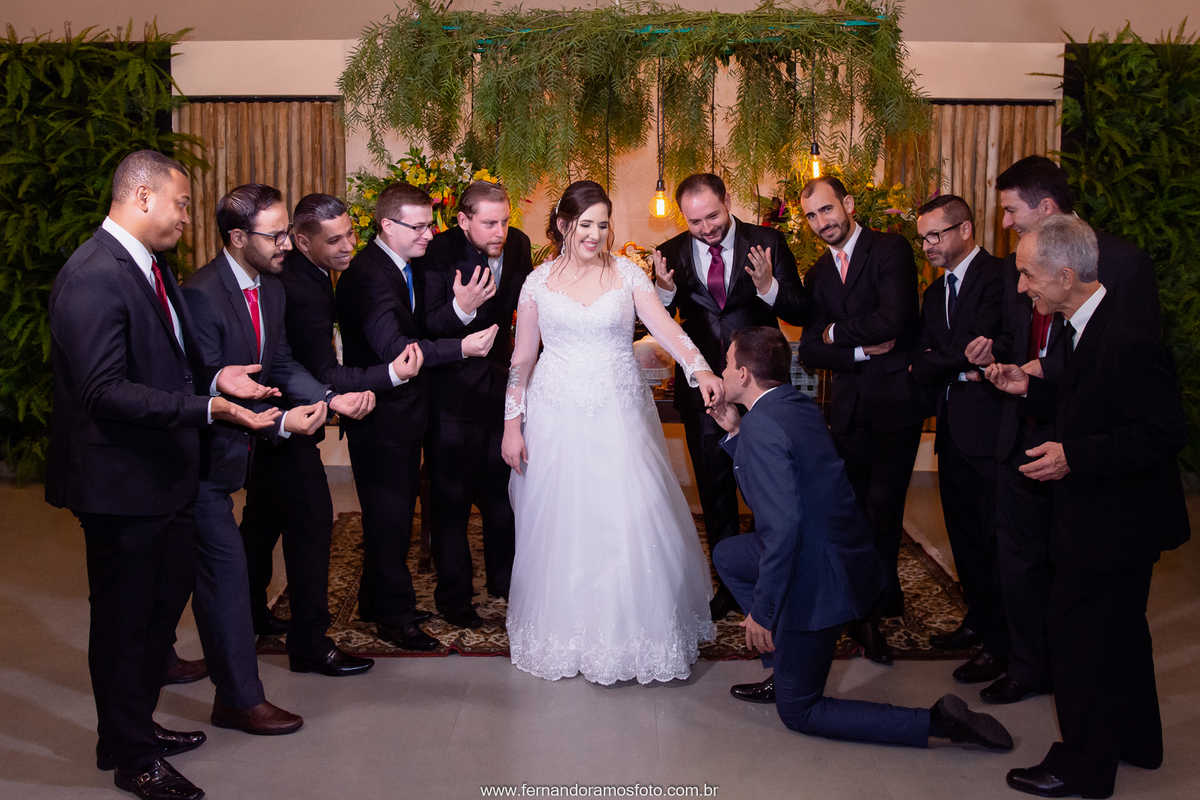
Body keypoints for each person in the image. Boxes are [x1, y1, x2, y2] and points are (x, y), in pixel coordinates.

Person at [46, 150, 281, 800]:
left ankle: (129, 731)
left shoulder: (151, 268)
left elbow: (164, 367)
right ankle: (132, 758)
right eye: (180, 202)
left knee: (154, 620)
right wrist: (208, 406)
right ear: (142, 197)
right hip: (121, 484)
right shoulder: (95, 275)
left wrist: (213, 378)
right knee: (125, 623)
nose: (186, 215)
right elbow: (104, 391)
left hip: (165, 475)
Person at [708, 327, 1013, 752]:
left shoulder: (764, 427)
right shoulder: (796, 405)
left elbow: (784, 528)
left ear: (742, 375)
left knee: (801, 712)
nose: (721, 372)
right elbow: (789, 479)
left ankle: (938, 723)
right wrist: (737, 433)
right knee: (729, 554)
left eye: (725, 364)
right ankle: (788, 662)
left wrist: (763, 610)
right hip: (846, 558)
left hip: (820, 579)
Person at [982, 215, 1188, 799]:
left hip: (1114, 523)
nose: (1021, 287)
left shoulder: (1126, 337)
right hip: (1108, 516)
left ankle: (1082, 768)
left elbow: (1162, 433)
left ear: (1065, 275)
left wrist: (1076, 456)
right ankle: (1137, 743)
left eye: (1027, 275)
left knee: (1078, 640)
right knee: (1121, 635)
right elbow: (1097, 403)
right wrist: (1033, 388)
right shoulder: (1087, 326)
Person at [502, 180, 721, 684]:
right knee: (562, 521)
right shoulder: (537, 283)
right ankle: (566, 632)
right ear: (563, 225)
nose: (596, 234)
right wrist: (512, 425)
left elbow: (665, 326)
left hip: (619, 410)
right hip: (555, 413)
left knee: (629, 514)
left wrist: (700, 368)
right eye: (586, 224)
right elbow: (521, 359)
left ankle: (634, 634)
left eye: (603, 224)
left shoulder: (627, 274)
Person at [965, 155, 1163, 705]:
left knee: (1093, 602)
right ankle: (1031, 666)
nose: (1003, 226)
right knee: (1023, 562)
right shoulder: (1027, 266)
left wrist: (1054, 397)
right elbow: (1020, 335)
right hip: (1030, 429)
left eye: (1010, 211)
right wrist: (1013, 371)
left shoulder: (1124, 272)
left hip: (1097, 463)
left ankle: (1085, 716)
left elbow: (1131, 380)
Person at [181, 184, 376, 734]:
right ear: (238, 238)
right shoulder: (200, 293)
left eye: (287, 231)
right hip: (210, 454)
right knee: (196, 572)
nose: (287, 243)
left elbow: (280, 361)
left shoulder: (270, 286)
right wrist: (285, 421)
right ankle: (199, 676)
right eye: (274, 235)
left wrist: (325, 398)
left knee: (237, 551)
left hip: (261, 434)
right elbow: (202, 384)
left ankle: (236, 676)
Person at [239, 193, 421, 675]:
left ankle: (250, 613)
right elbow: (314, 365)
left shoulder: (311, 275)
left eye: (351, 234)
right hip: (282, 418)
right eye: (334, 239)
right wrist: (379, 380)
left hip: (281, 407)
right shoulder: (300, 286)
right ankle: (309, 643)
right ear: (302, 240)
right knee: (311, 524)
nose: (348, 247)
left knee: (261, 522)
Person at [336, 182, 498, 651]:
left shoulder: (401, 267)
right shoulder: (370, 275)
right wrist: (461, 346)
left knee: (393, 515)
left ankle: (373, 599)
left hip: (402, 414)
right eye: (420, 226)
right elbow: (396, 351)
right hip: (380, 417)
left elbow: (420, 325)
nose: (431, 234)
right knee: (390, 520)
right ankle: (395, 617)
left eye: (432, 223)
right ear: (388, 226)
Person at [651, 173, 808, 621]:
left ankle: (772, 581)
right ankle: (728, 584)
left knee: (771, 487)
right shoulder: (671, 254)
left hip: (762, 387)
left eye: (714, 216)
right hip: (704, 389)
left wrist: (767, 287)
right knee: (715, 488)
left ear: (728, 201)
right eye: (695, 221)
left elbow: (800, 309)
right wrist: (663, 293)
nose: (706, 228)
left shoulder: (768, 242)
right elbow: (657, 323)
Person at [794, 176, 927, 665]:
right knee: (852, 512)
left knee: (885, 511)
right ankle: (867, 601)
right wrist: (851, 346)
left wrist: (833, 334)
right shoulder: (816, 275)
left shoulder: (889, 249)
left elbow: (894, 320)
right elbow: (809, 349)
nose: (822, 223)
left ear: (848, 205)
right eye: (812, 216)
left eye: (828, 210)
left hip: (896, 403)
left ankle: (872, 612)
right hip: (848, 409)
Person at [417, 180, 534, 628]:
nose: (500, 230)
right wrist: (462, 311)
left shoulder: (519, 245)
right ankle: (454, 595)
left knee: (503, 495)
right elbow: (425, 323)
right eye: (489, 222)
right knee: (452, 501)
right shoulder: (438, 252)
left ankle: (503, 581)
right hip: (450, 392)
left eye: (505, 220)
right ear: (463, 220)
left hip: (502, 388)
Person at [909, 195, 1008, 684]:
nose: (927, 245)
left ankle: (1002, 641)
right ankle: (978, 618)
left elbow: (990, 342)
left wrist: (946, 360)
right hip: (951, 428)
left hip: (991, 431)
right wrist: (960, 365)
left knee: (995, 539)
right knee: (964, 535)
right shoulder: (932, 295)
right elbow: (928, 359)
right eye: (923, 236)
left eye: (935, 235)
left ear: (965, 230)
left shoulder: (1000, 278)